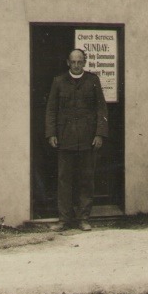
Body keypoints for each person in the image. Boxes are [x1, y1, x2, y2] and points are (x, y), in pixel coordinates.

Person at [45, 49, 109, 231]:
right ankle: (64, 220)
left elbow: (101, 109)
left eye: (80, 61)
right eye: (73, 61)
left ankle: (83, 219)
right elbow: (51, 110)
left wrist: (99, 134)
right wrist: (51, 134)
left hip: (87, 139)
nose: (76, 64)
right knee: (64, 180)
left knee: (86, 179)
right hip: (65, 138)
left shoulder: (93, 81)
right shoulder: (59, 81)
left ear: (84, 62)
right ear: (68, 63)